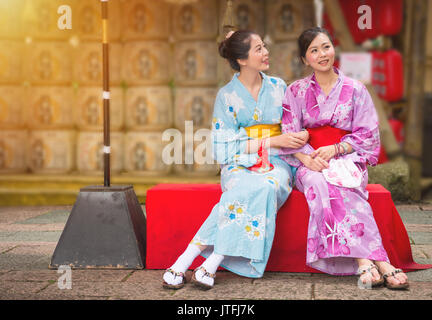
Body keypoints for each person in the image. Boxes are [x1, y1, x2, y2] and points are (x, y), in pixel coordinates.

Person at [162, 30, 309, 290]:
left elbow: (293, 128)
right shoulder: (226, 95)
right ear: (242, 59)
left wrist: (295, 142)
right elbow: (223, 147)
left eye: (265, 47)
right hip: (240, 162)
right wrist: (271, 141)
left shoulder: (279, 87)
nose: (266, 53)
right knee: (245, 188)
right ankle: (195, 261)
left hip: (279, 162)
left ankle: (202, 261)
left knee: (266, 186)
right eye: (259, 49)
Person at [279, 27, 409, 290]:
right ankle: (376, 260)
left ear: (333, 48)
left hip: (347, 160)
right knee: (319, 182)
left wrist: (337, 150)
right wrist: (307, 160)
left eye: (325, 47)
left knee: (341, 183)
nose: (322, 54)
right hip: (310, 161)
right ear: (305, 59)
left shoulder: (356, 89)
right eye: (313, 50)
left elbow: (368, 134)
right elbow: (289, 133)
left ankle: (367, 261)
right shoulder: (295, 91)